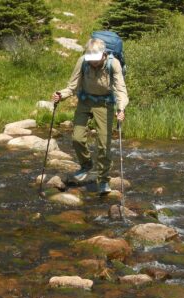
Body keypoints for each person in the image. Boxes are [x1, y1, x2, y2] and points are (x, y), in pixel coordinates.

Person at [52, 38, 129, 194]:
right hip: (85, 101)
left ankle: (104, 180)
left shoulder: (113, 64)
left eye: (96, 59)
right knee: (77, 138)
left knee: (103, 143)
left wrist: (121, 109)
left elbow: (120, 89)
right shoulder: (83, 61)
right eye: (91, 59)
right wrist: (61, 95)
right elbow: (72, 86)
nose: (93, 62)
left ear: (103, 54)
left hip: (105, 104)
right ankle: (86, 165)